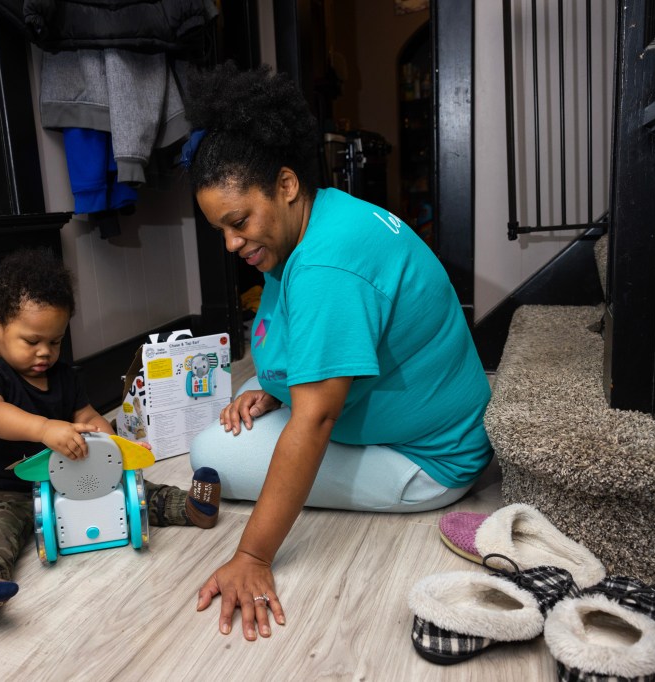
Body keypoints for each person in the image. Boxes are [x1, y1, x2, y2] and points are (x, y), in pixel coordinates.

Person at [182, 63, 493, 641]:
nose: (231, 243)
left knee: (210, 454)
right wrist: (271, 391)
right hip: (436, 431)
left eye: (238, 221)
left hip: (429, 462)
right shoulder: (314, 223)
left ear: (286, 184)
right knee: (232, 432)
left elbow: (319, 417)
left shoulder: (326, 264)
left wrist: (252, 556)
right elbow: (305, 342)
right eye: (219, 230)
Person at [0, 247, 221, 629]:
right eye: (32, 341)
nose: (45, 352)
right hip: (1, 488)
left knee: (133, 487)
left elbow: (87, 416)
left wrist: (114, 447)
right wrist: (44, 428)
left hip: (65, 477)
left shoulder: (64, 376)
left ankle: (191, 507)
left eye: (56, 341)